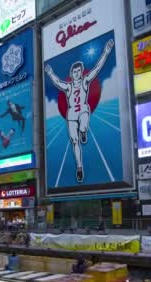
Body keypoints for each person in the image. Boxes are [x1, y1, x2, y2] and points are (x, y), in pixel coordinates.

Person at [45, 39, 114, 183]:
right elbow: (58, 82)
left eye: (78, 71)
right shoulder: (69, 86)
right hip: (71, 115)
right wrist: (50, 73)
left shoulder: (84, 81)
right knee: (74, 142)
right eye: (74, 71)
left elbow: (96, 69)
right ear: (71, 73)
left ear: (81, 72)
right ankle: (79, 167)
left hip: (82, 109)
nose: (76, 73)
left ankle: (83, 131)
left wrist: (106, 52)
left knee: (83, 122)